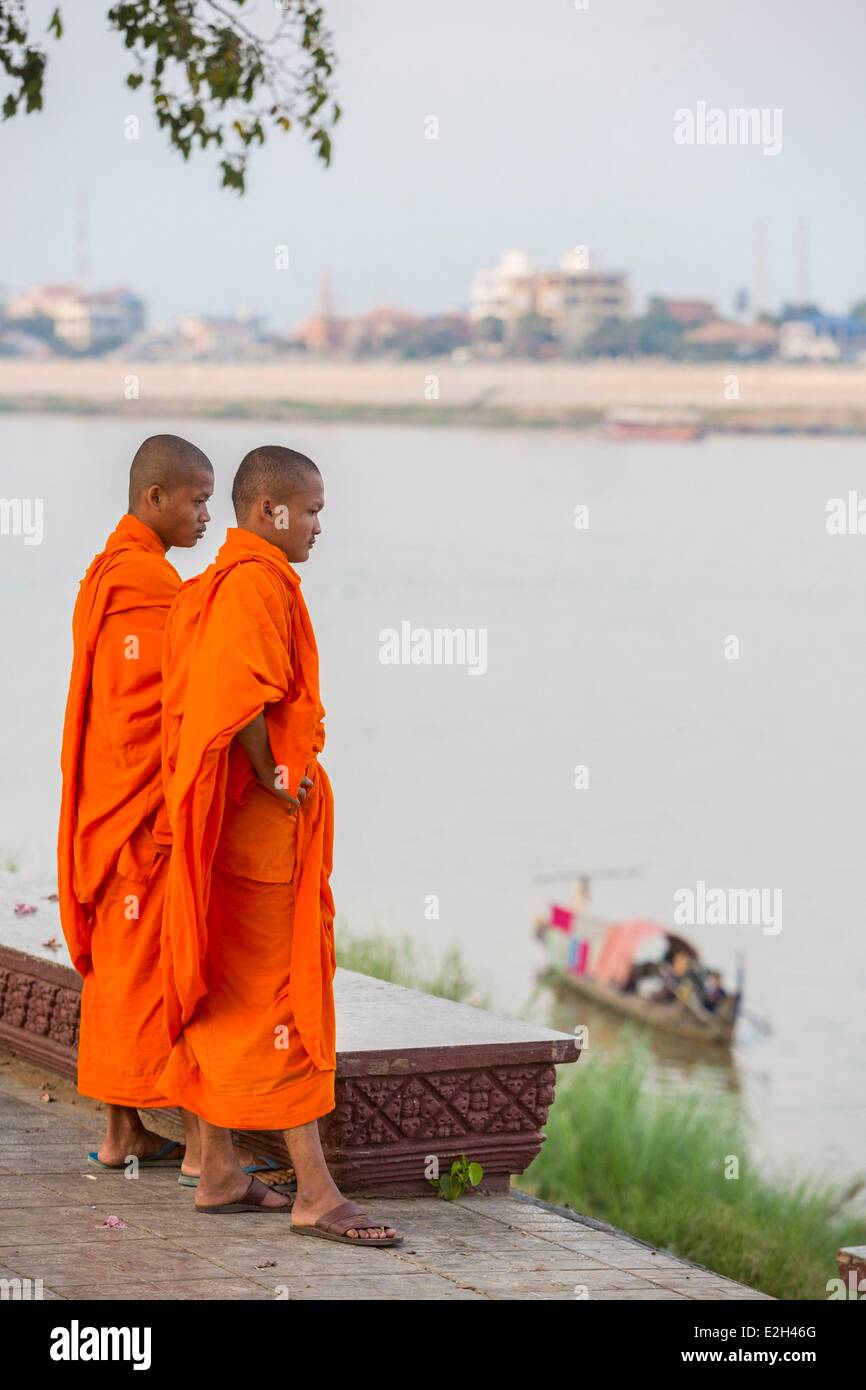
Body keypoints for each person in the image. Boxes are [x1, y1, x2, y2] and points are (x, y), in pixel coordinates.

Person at [158, 444, 401, 1245]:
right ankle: (316, 1193)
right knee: (283, 1001)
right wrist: (272, 774)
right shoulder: (254, 583)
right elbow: (241, 694)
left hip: (229, 835)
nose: (321, 527)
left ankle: (219, 1167)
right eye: (315, 510)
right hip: (258, 834)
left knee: (227, 993)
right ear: (270, 511)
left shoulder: (223, 582)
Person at [57, 435, 214, 1172]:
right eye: (196, 499)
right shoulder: (144, 582)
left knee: (122, 970)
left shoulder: (108, 572)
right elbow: (160, 704)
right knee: (148, 970)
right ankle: (174, 1139)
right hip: (138, 809)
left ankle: (125, 1130)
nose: (206, 515)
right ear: (155, 498)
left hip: (108, 803)